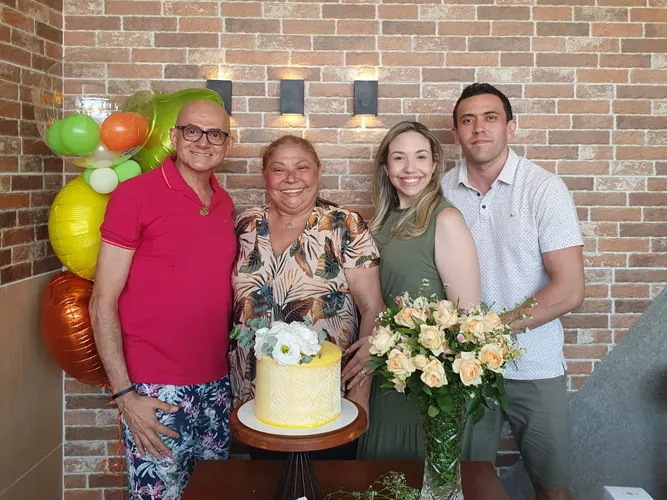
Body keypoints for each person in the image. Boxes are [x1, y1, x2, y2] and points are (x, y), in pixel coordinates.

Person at [441, 83, 585, 500]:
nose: (478, 128)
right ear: (455, 133)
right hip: (465, 367)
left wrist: (492, 331)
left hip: (534, 365)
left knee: (553, 489)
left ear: (511, 127)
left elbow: (570, 289)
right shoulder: (442, 191)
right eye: (467, 120)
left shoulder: (544, 189)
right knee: (466, 484)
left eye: (490, 118)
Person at [90, 100, 237, 500]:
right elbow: (102, 301)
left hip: (216, 387)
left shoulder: (224, 203)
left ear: (227, 144)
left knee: (213, 494)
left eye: (215, 134)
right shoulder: (134, 195)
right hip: (153, 391)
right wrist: (125, 396)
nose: (203, 142)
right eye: (192, 131)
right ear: (174, 136)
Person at [229, 135, 385, 460]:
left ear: (318, 171)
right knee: (266, 481)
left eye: (301, 167)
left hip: (327, 399)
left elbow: (372, 308)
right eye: (278, 169)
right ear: (265, 175)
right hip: (257, 397)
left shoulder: (344, 225)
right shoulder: (246, 225)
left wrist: (360, 396)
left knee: (327, 483)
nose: (291, 178)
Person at [351, 121, 481, 460]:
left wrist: (382, 346)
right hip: (382, 379)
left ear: (435, 163)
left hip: (423, 385)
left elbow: (466, 325)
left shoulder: (445, 220)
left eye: (421, 157)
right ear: (385, 166)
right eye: (399, 158)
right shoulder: (381, 222)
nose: (410, 168)